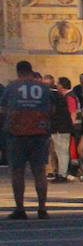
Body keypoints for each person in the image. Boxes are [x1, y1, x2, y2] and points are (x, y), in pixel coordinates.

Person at [2, 60, 58, 219]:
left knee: (17, 172)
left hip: (17, 134)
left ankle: (20, 209)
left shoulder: (12, 87)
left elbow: (4, 109)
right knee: (39, 172)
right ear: (31, 70)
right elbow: (52, 109)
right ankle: (42, 208)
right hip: (39, 134)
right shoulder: (43, 88)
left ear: (18, 71)